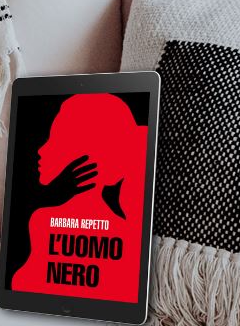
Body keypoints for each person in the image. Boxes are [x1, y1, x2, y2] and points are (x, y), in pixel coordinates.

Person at [11, 93, 147, 302]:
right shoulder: (40, 220)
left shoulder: (41, 221)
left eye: (55, 140)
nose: (41, 149)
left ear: (85, 159)